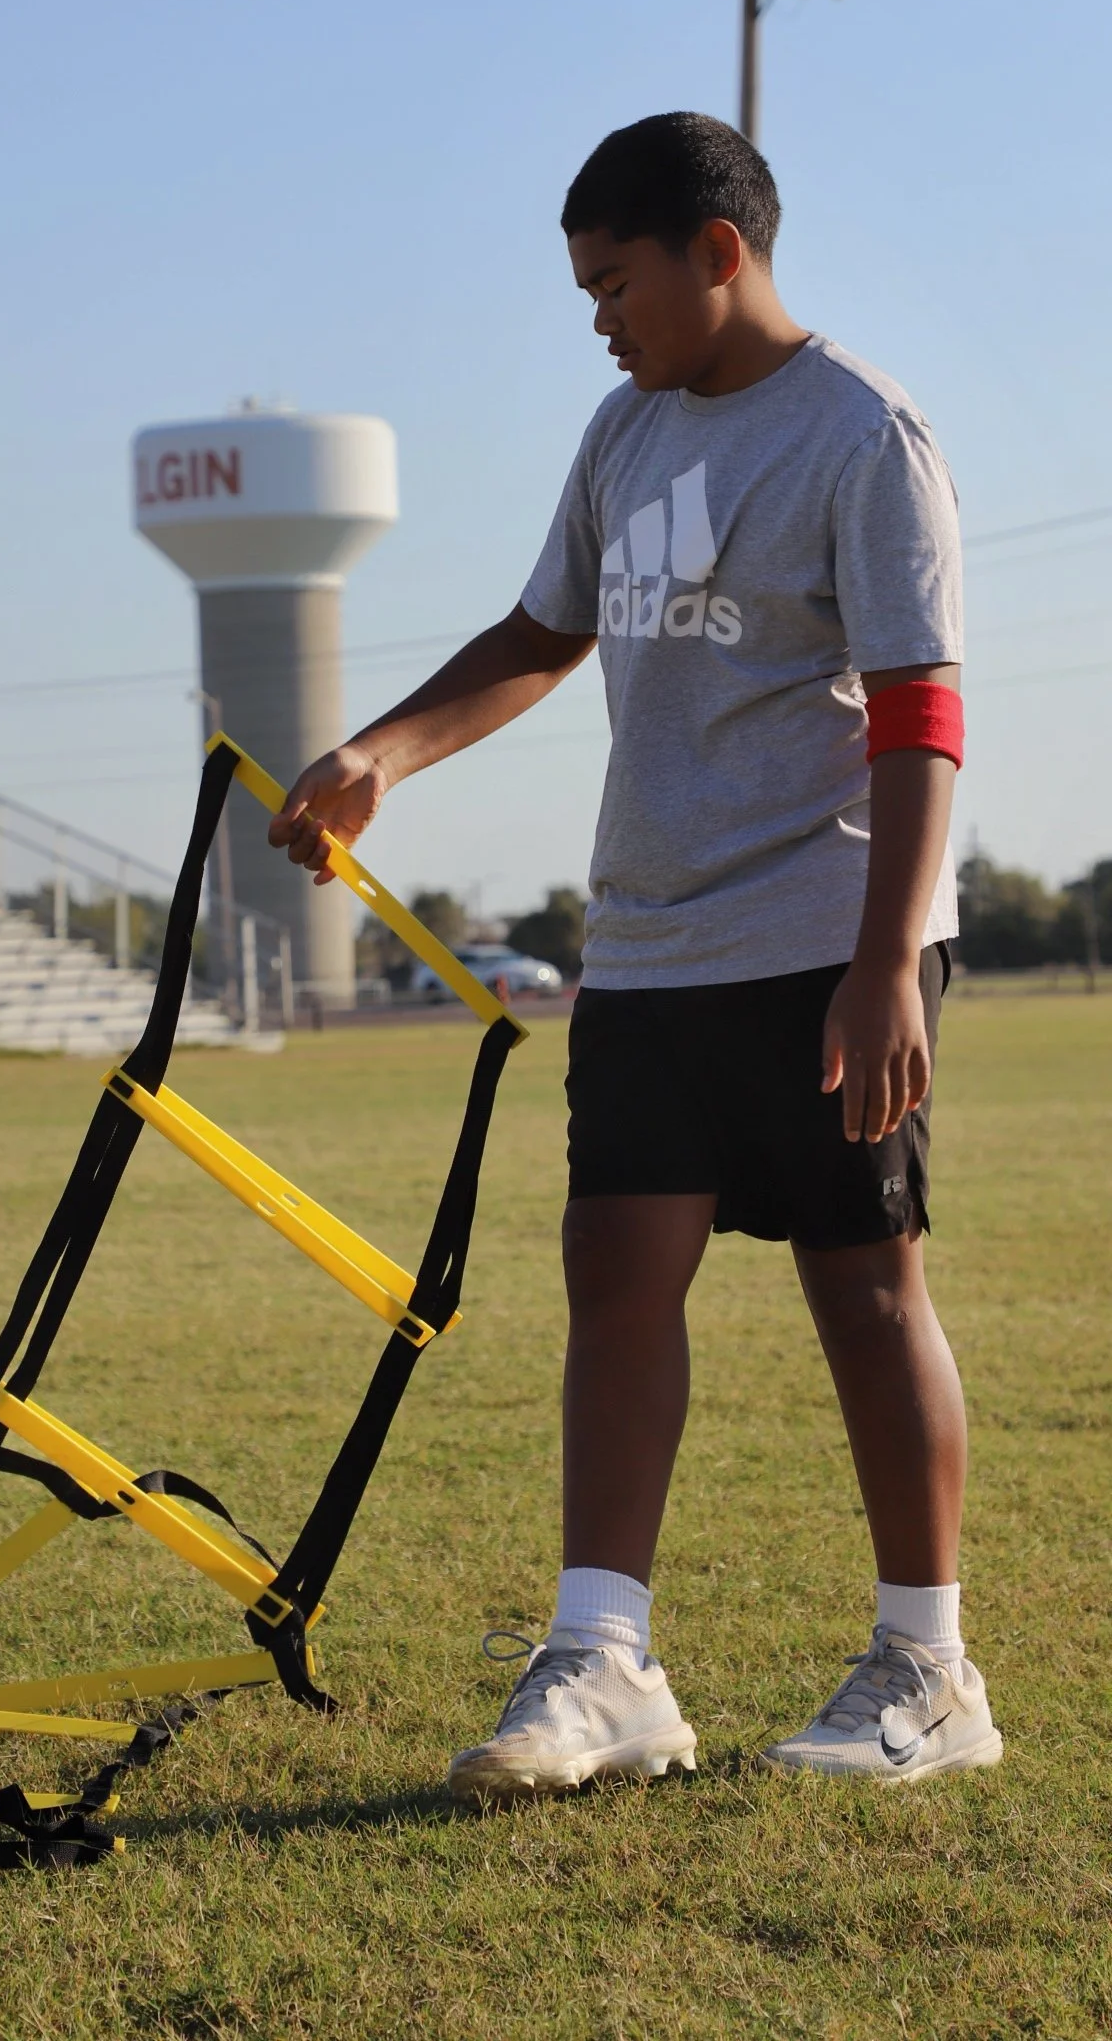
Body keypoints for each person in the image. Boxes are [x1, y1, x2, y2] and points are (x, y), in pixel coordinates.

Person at [267, 111, 1001, 1795]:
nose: (600, 317)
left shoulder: (866, 439)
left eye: (616, 283)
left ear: (719, 254)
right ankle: (604, 1666)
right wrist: (384, 750)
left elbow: (920, 712)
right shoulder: (624, 433)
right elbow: (545, 632)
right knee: (615, 1277)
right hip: (655, 944)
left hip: (826, 938)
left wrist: (888, 960)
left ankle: (930, 1666)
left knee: (865, 1290)